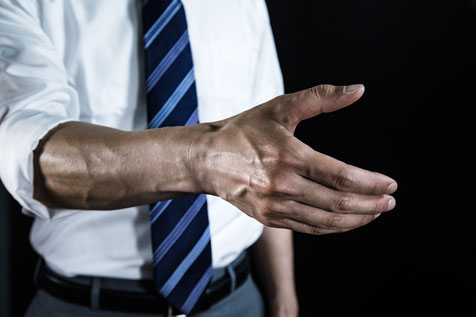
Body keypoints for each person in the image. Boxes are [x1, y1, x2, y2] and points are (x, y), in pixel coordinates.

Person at [0, 0, 397, 316]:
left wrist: (283, 299)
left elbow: (270, 153)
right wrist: (205, 158)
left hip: (238, 300)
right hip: (84, 305)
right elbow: (31, 160)